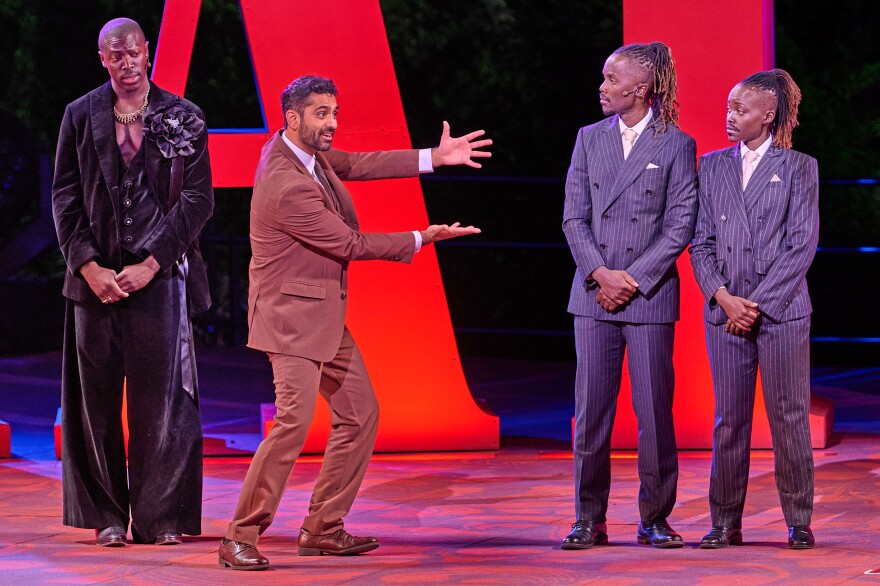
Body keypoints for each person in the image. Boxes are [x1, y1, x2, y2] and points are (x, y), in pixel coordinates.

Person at [217, 75, 490, 570]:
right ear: (293, 118)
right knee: (293, 425)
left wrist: (434, 157)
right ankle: (240, 535)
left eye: (335, 112)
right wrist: (422, 237)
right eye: (322, 114)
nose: (333, 124)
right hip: (290, 320)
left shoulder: (306, 154)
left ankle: (323, 527)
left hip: (319, 311)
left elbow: (360, 164)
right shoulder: (286, 183)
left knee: (360, 414)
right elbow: (348, 244)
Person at [51, 17, 213, 546]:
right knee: (94, 400)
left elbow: (197, 200)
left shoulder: (182, 115)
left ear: (148, 53)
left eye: (133, 53)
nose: (125, 62)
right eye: (114, 55)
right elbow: (65, 197)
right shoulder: (80, 115)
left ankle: (161, 517)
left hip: (158, 279)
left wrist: (152, 262)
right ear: (103, 58)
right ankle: (107, 517)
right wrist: (88, 266)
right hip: (94, 282)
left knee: (162, 402)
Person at [561, 42, 698, 550]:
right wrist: (600, 273)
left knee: (654, 414)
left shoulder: (676, 145)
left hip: (648, 297)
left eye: (611, 79)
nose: (602, 87)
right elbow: (573, 216)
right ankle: (588, 517)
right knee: (592, 410)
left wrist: (631, 279)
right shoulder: (588, 138)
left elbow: (680, 222)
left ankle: (654, 518)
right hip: (594, 297)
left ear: (639, 89)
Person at [690, 69, 818, 550]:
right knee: (729, 420)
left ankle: (798, 519)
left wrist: (757, 305)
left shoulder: (799, 166)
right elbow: (699, 244)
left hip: (781, 312)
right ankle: (725, 521)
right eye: (728, 107)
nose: (730, 117)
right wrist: (723, 297)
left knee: (789, 416)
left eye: (740, 110)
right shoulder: (713, 166)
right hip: (725, 313)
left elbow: (801, 244)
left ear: (768, 114)